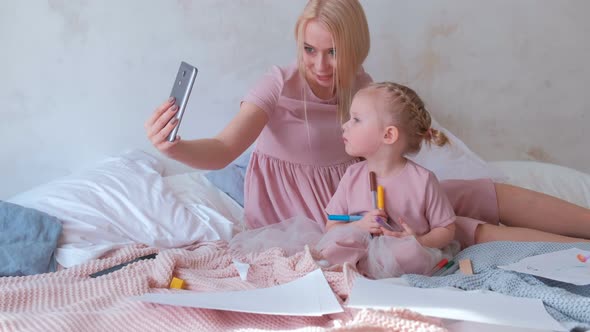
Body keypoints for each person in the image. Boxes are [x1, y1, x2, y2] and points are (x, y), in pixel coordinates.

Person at [145, 0, 590, 240]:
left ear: (355, 49)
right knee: (462, 231)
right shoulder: (277, 85)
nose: (320, 65)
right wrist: (173, 147)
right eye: (309, 49)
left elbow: (382, 152)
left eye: (333, 52)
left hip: (370, 189)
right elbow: (225, 149)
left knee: (477, 192)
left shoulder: (362, 84)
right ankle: (573, 252)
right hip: (321, 217)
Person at [318, 83, 588, 279]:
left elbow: (444, 229)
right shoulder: (352, 176)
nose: (344, 125)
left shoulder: (422, 180)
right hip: (392, 250)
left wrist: (420, 240)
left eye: (355, 119)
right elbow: (333, 225)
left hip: (427, 232)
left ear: (389, 135)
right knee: (474, 231)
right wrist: (358, 224)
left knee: (479, 202)